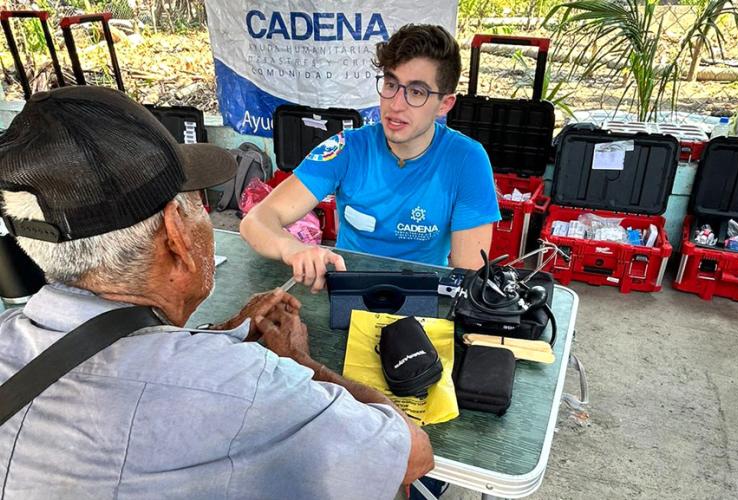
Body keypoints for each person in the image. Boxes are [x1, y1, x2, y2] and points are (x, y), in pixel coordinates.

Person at [0, 86, 433, 499]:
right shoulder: (251, 389)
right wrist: (299, 363)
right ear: (176, 237)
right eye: (200, 205)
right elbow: (412, 455)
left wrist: (212, 335)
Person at [241, 24, 500, 292]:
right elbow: (256, 220)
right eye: (390, 84)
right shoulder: (348, 149)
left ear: (444, 105)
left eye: (417, 92)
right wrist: (292, 248)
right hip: (348, 292)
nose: (396, 104)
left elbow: (469, 273)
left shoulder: (467, 160)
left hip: (423, 297)